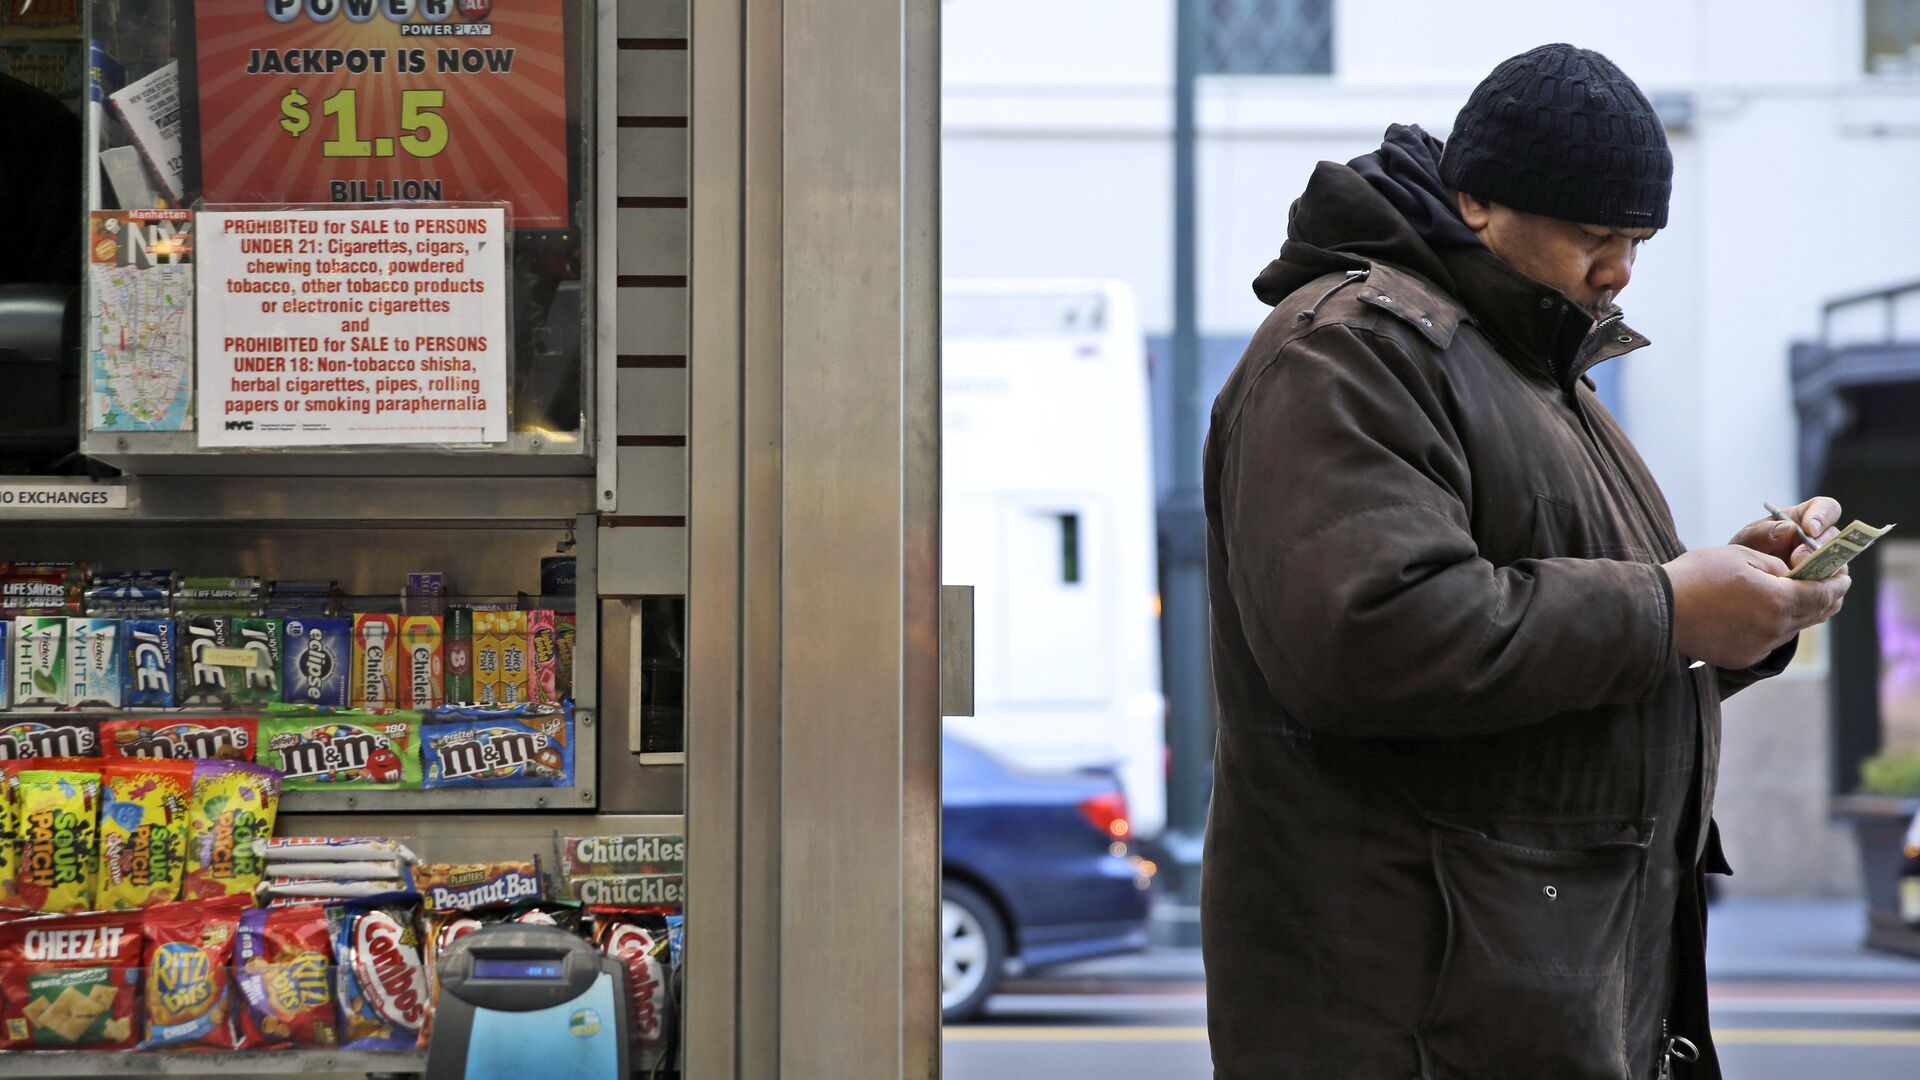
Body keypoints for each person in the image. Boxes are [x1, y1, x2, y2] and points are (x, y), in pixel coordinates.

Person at [1200, 43, 1850, 1079]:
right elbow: (1371, 637)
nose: (1620, 268)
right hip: (1419, 1019)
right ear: (1478, 203)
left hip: (1529, 999)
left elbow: (1588, 650)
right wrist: (1669, 609)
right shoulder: (1352, 351)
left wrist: (1745, 604)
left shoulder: (1533, 371)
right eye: (1595, 234)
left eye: (1638, 239)